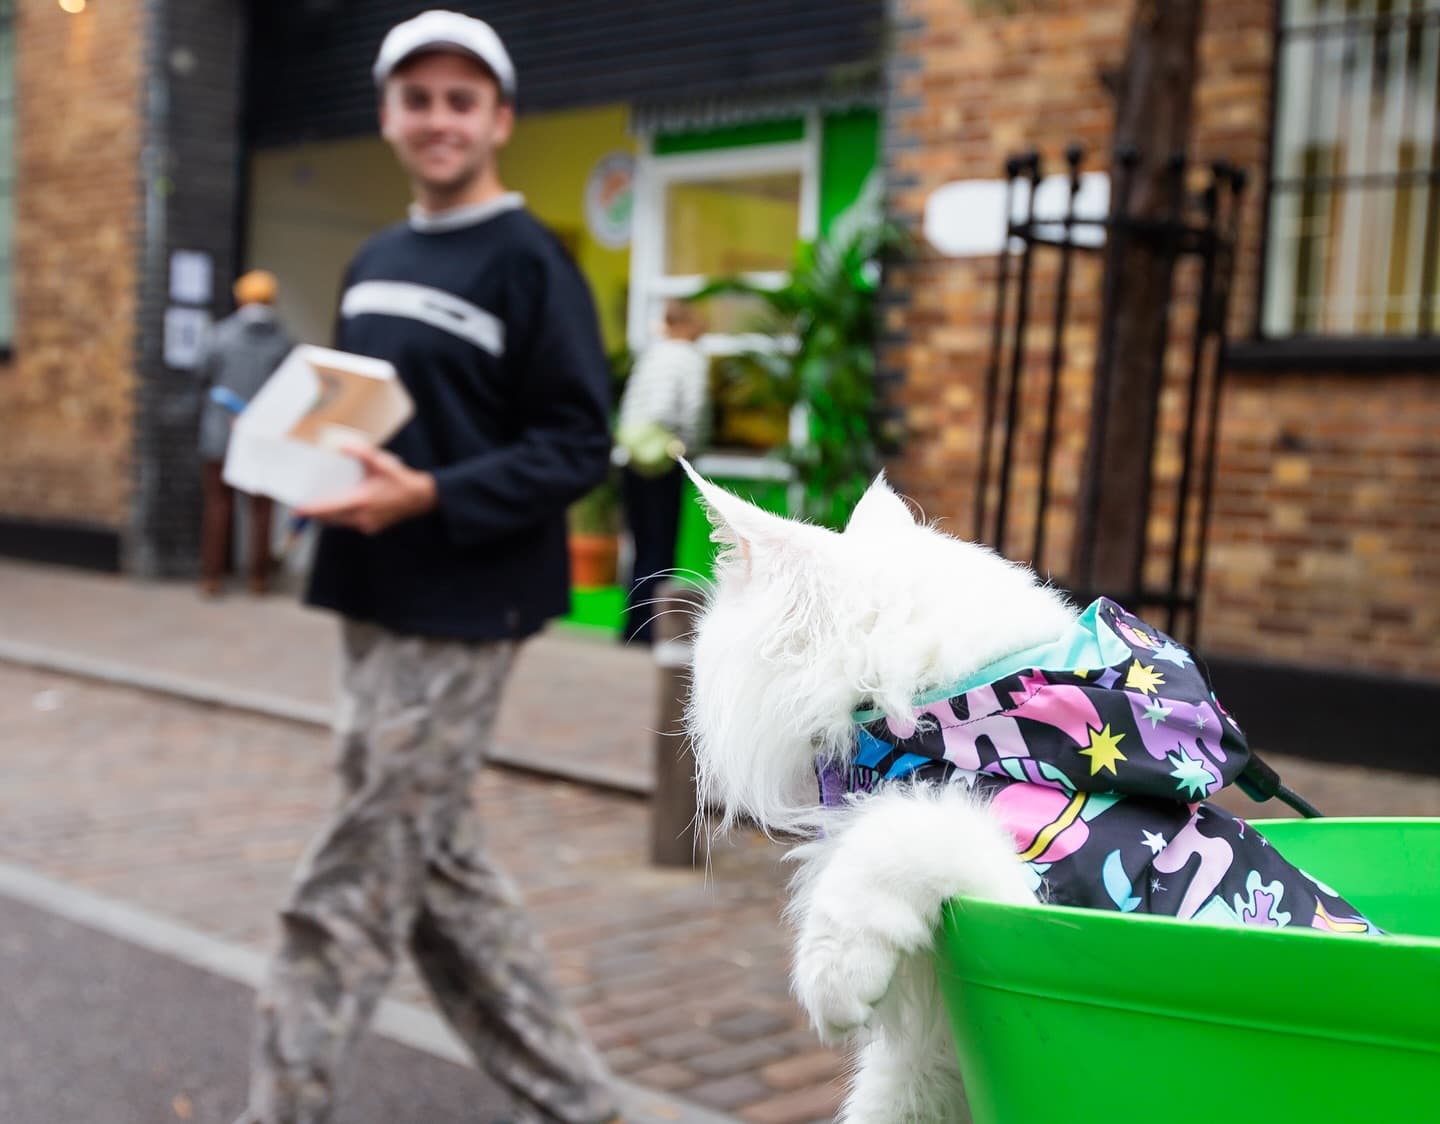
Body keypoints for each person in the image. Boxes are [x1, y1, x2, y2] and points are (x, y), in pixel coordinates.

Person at [236, 12, 621, 1124]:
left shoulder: (531, 260)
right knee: (436, 868)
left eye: (463, 100)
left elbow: (574, 443)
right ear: (388, 116)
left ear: (499, 120)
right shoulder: (375, 259)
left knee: (352, 872)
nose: (439, 118)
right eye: (420, 98)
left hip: (467, 602)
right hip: (368, 588)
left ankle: (282, 1102)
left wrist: (433, 493)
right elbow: (365, 414)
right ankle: (582, 1103)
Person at [614, 300, 708, 644]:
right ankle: (651, 630)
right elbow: (688, 410)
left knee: (639, 544)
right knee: (661, 545)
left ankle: (630, 627)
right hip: (663, 460)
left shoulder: (651, 355)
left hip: (631, 456)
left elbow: (631, 406)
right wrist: (689, 446)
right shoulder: (690, 358)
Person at [197, 270, 293, 597]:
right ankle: (259, 580)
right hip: (264, 435)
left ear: (240, 298)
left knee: (218, 504)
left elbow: (201, 376)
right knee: (262, 509)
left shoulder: (220, 336)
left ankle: (212, 578)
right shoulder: (283, 343)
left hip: (220, 433)